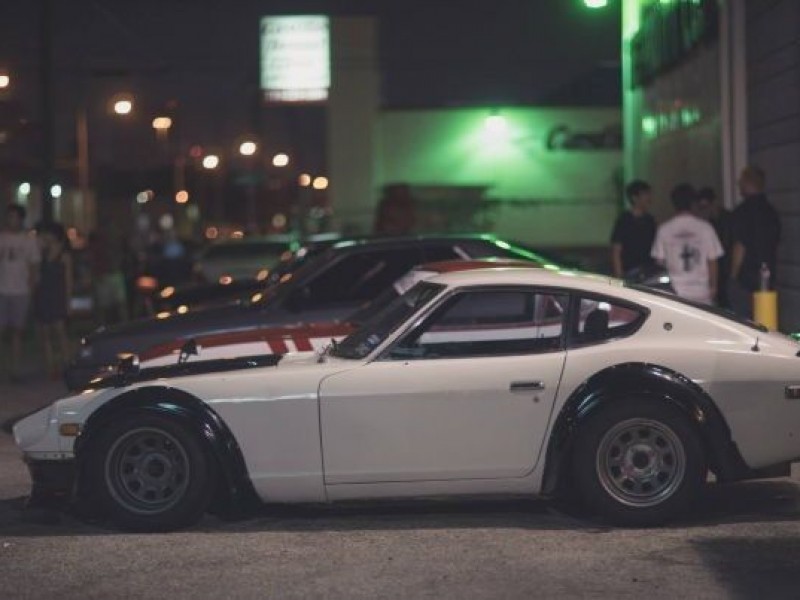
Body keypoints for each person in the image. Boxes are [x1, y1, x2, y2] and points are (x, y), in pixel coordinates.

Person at [651, 183, 724, 305]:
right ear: (693, 203)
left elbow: (659, 262)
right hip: (701, 291)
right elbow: (712, 260)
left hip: (675, 292)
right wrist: (713, 287)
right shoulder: (705, 228)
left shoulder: (664, 230)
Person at [728, 166, 781, 318]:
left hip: (745, 279)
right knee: (765, 319)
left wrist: (733, 277)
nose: (738, 185)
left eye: (740, 182)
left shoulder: (742, 212)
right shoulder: (771, 212)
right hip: (767, 278)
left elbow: (740, 246)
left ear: (747, 183)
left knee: (743, 321)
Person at [0, 204, 40, 381]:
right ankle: (4, 366)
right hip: (2, 289)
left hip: (21, 291)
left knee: (17, 331)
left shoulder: (28, 239)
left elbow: (34, 265)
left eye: (15, 217)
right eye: (10, 216)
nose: (12, 220)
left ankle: (15, 368)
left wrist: (32, 288)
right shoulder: (2, 238)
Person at [33, 222, 72, 379]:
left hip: (57, 296)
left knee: (60, 332)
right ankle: (51, 367)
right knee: (46, 333)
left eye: (46, 233)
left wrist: (68, 301)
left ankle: (67, 364)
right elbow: (37, 276)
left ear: (55, 235)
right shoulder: (42, 253)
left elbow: (68, 281)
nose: (44, 236)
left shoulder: (64, 255)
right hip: (43, 295)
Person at [695, 187, 733, 307]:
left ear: (714, 203)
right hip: (717, 271)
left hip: (727, 269)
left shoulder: (727, 219)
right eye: (702, 208)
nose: (705, 210)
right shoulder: (707, 223)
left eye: (706, 206)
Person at [610, 180, 657, 279]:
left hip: (649, 269)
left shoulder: (650, 220)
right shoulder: (624, 220)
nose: (649, 198)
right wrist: (619, 274)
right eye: (645, 194)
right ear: (634, 198)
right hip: (630, 271)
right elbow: (616, 249)